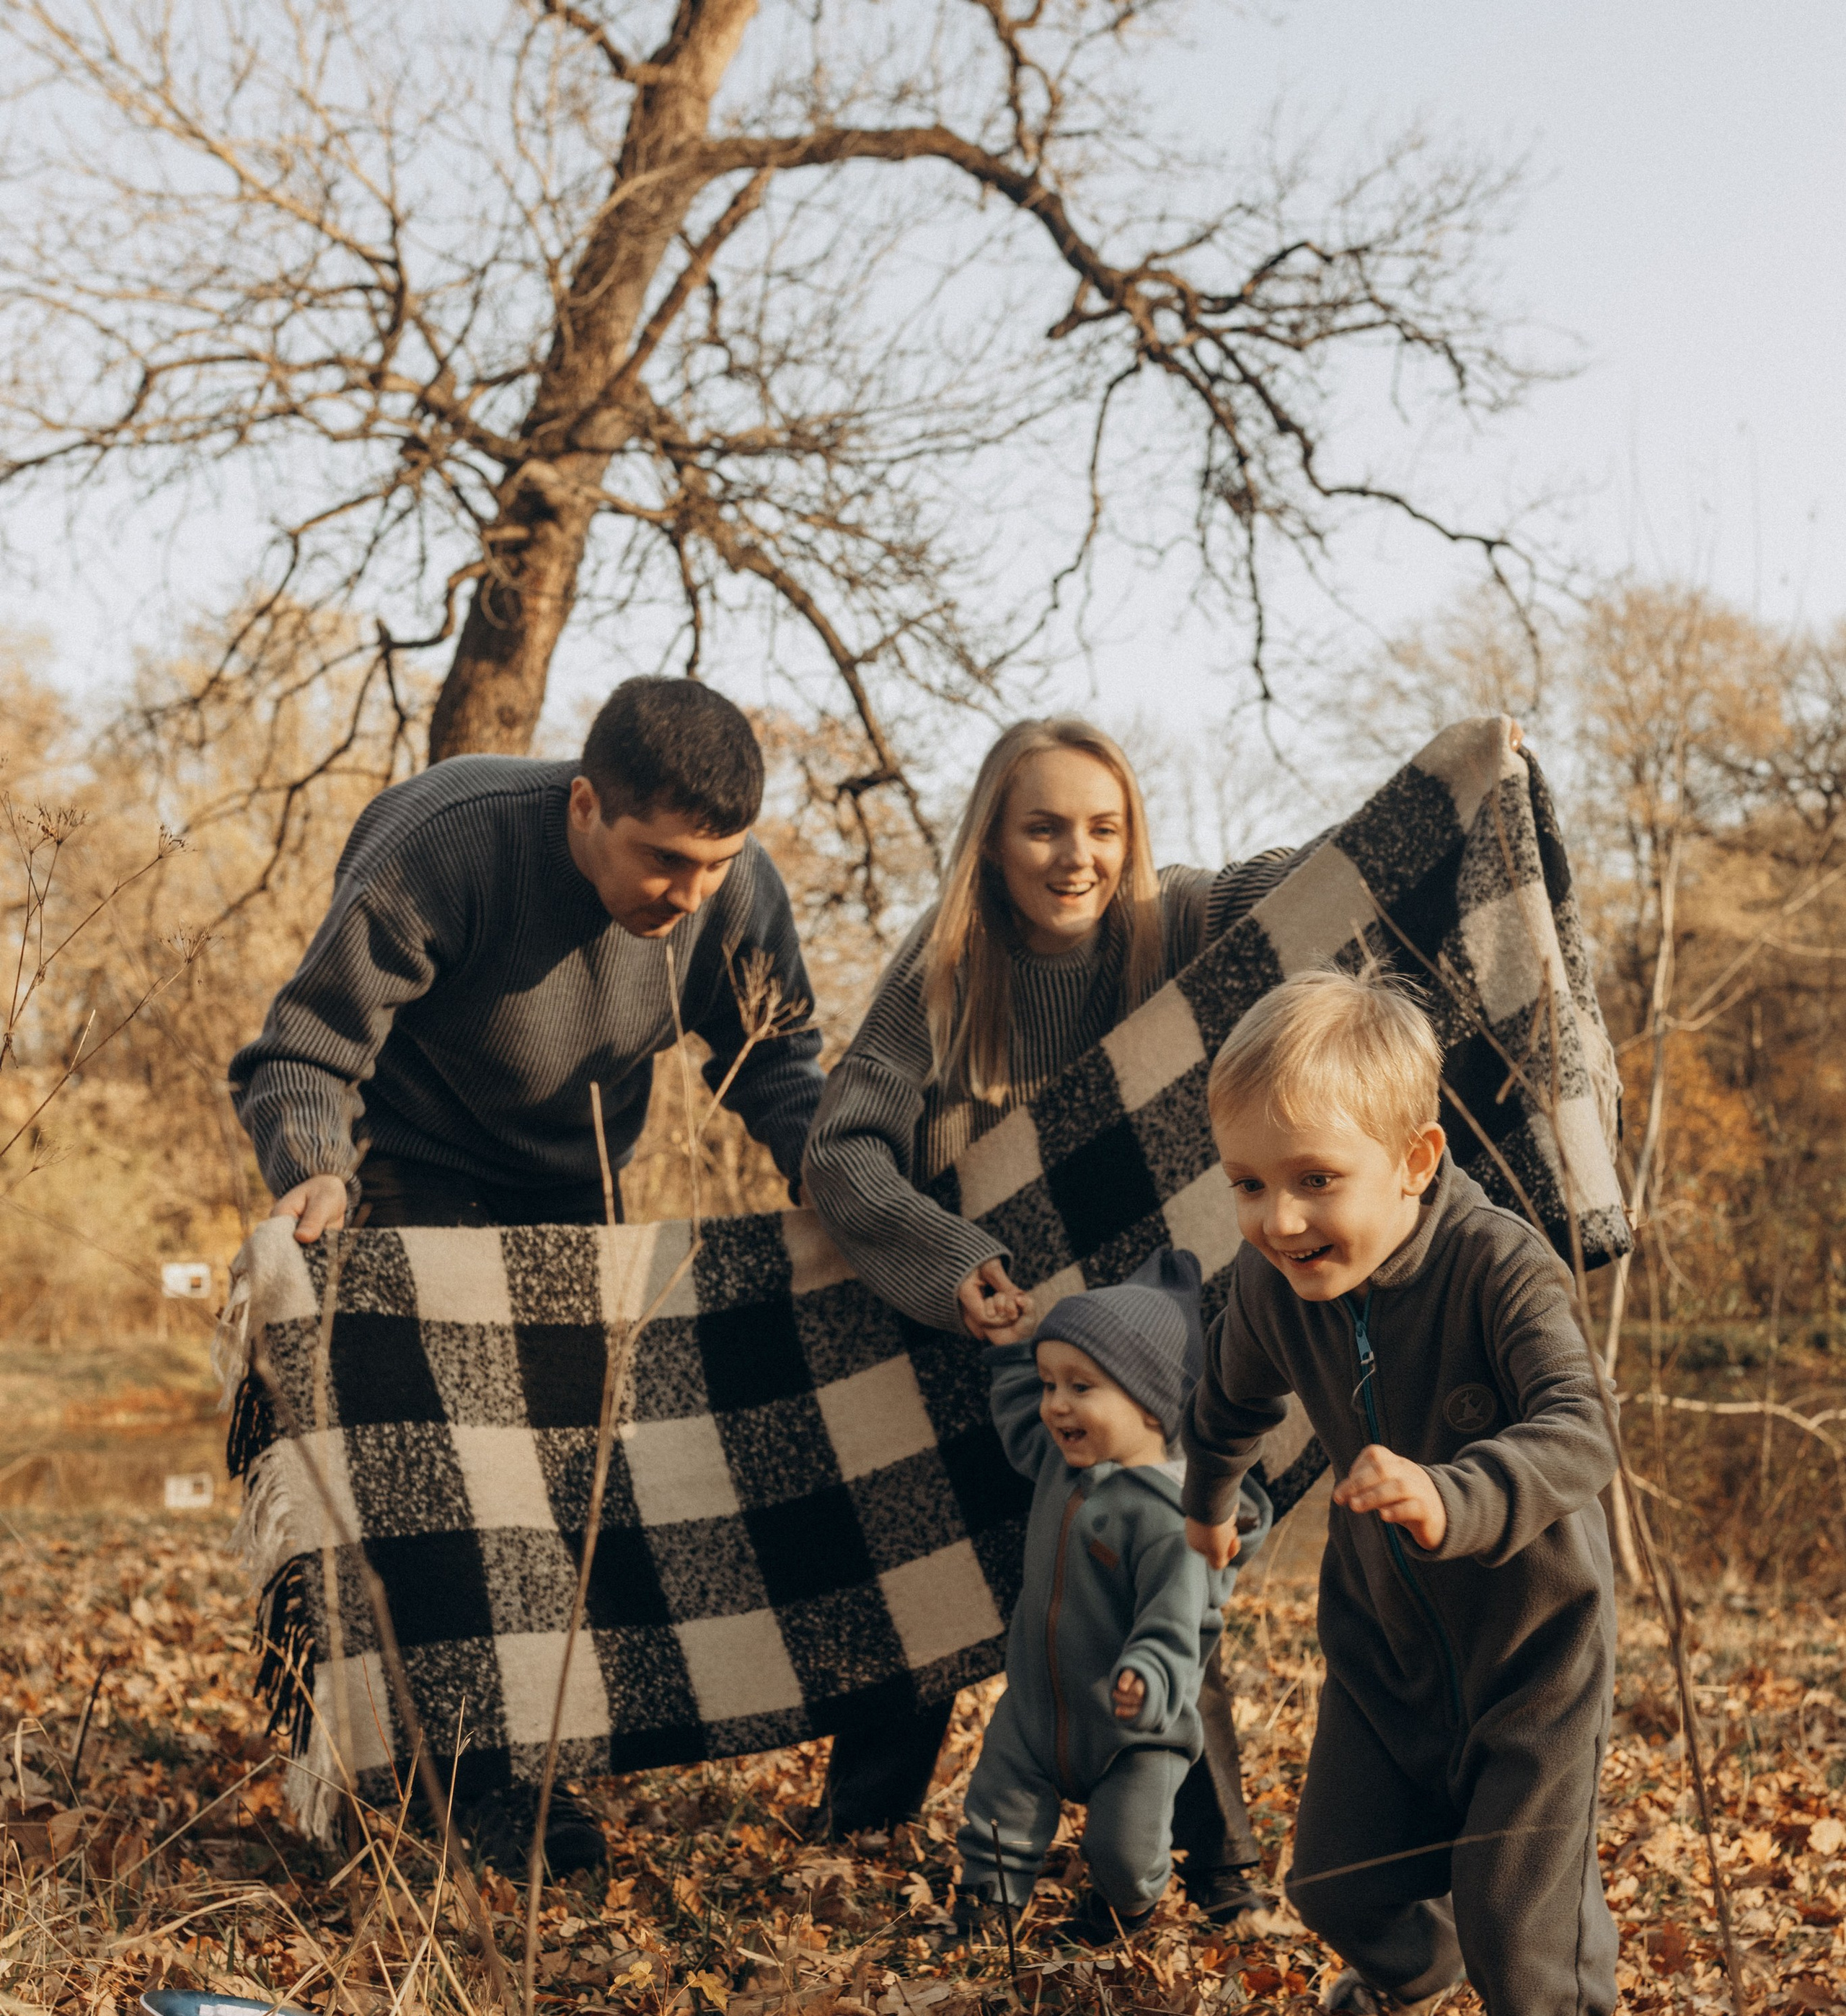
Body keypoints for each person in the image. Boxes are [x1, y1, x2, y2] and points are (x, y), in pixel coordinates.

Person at [229, 676, 825, 1870]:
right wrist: (311, 1168)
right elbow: (301, 1051)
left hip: (578, 1180)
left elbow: (778, 1067)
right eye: (663, 860)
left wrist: (848, 1184)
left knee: (561, 1485)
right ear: (586, 804)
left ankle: (538, 1739)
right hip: (408, 1166)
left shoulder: (734, 890)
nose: (692, 893)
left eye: (716, 864)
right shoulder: (446, 842)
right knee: (452, 1483)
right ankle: (480, 1791)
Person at [803, 715, 1302, 1899]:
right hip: (969, 1328)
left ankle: (1220, 1871)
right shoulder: (946, 961)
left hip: (1127, 1348)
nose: (1076, 856)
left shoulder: (1171, 921)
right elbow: (843, 1146)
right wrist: (942, 1253)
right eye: (1043, 828)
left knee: (1154, 1556)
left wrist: (1448, 785)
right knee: (920, 1570)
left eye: (1103, 828)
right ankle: (856, 1834)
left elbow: (1308, 879)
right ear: (993, 840)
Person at [1181, 971, 1620, 2016]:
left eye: (1317, 1180)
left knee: (1509, 1908)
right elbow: (1225, 1409)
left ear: (1416, 1158)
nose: (1278, 1220)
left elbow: (1584, 1427)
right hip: (1383, 1645)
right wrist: (1210, 1510)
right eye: (1252, 1185)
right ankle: (1422, 1972)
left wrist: (1454, 1492)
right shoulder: (1278, 1292)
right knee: (1334, 1878)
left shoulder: (1498, 1266)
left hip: (1534, 1640)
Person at [950, 1250, 1270, 1948]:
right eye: (1048, 1383)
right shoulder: (1062, 1464)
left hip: (1134, 1730)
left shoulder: (1172, 1519)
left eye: (1081, 1387)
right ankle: (982, 1915)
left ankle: (1121, 1919)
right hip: (1037, 1709)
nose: (1055, 1404)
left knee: (1125, 1854)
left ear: (1151, 1401)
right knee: (997, 1813)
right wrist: (1010, 1359)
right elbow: (1018, 1422)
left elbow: (1176, 1620)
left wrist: (1149, 1676)